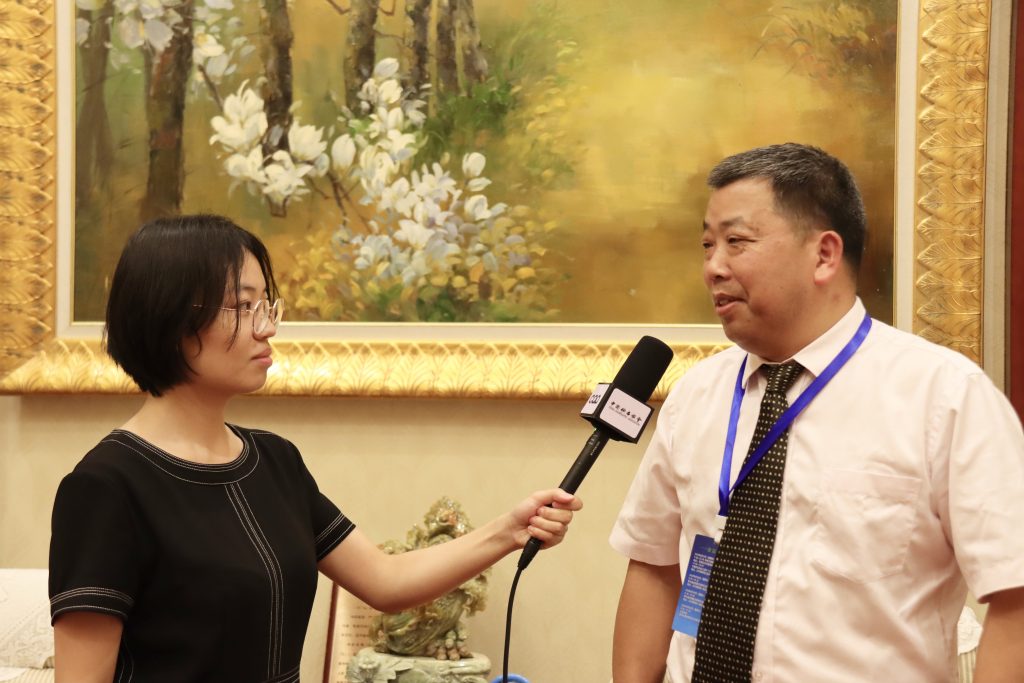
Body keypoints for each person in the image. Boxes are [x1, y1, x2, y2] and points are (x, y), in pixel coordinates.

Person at [48, 214, 582, 683]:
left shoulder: (274, 461)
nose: (268, 328)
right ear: (168, 317)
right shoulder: (106, 486)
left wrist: (508, 531)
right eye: (243, 306)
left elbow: (385, 581)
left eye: (266, 305)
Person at [609, 143, 1024, 682]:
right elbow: (653, 564)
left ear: (825, 254)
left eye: (737, 242)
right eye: (707, 245)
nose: (713, 267)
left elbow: (1014, 593)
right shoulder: (697, 394)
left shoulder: (943, 396)